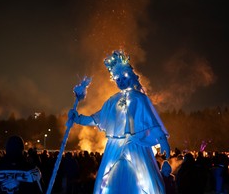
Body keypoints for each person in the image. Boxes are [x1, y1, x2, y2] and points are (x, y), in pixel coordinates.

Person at [69, 50, 171, 194]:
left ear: (129, 75)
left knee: (144, 181)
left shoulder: (139, 98)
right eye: (118, 79)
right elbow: (97, 118)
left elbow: (151, 120)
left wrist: (162, 139)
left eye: (123, 77)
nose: (121, 82)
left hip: (135, 144)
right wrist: (78, 118)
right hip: (115, 145)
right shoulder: (112, 100)